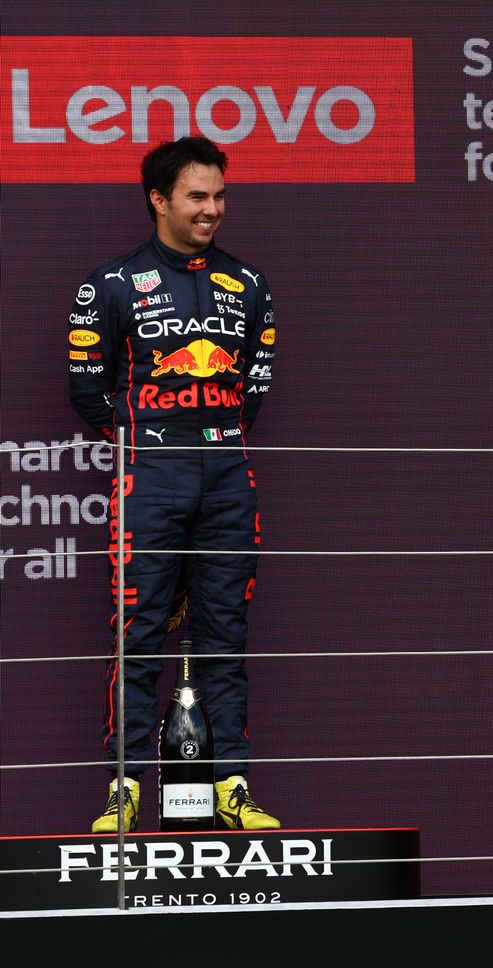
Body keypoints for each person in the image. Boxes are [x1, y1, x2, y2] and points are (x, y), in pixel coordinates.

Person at [69, 136, 280, 831]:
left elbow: (254, 386)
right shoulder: (111, 285)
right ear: (159, 200)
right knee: (136, 637)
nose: (211, 209)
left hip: (228, 476)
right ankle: (125, 787)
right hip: (150, 478)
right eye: (196, 196)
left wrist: (209, 439)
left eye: (219, 195)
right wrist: (152, 442)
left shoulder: (249, 284)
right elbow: (89, 392)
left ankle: (232, 784)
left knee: (226, 637)